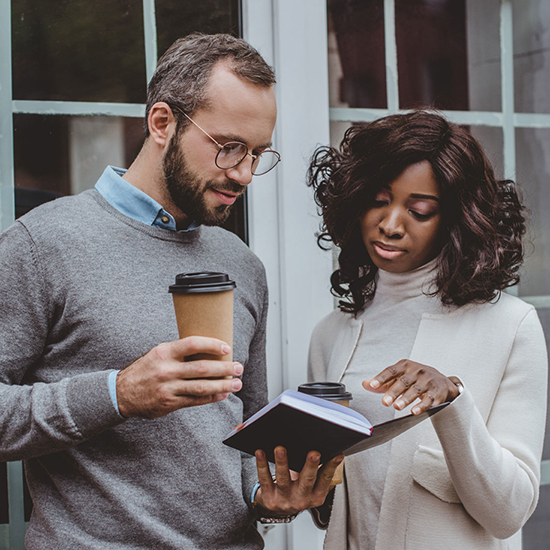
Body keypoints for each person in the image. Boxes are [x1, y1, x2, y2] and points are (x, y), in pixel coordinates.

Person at [0, 33, 339, 550]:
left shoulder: (241, 264)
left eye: (258, 154)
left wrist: (265, 493)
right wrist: (118, 394)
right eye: (229, 148)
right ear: (162, 123)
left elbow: (244, 434)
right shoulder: (40, 244)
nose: (245, 173)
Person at [306, 110, 548, 550]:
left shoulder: (510, 328)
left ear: (456, 221)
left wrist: (452, 403)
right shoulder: (331, 335)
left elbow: (509, 513)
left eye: (419, 211)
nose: (391, 224)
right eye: (378, 200)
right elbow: (334, 509)